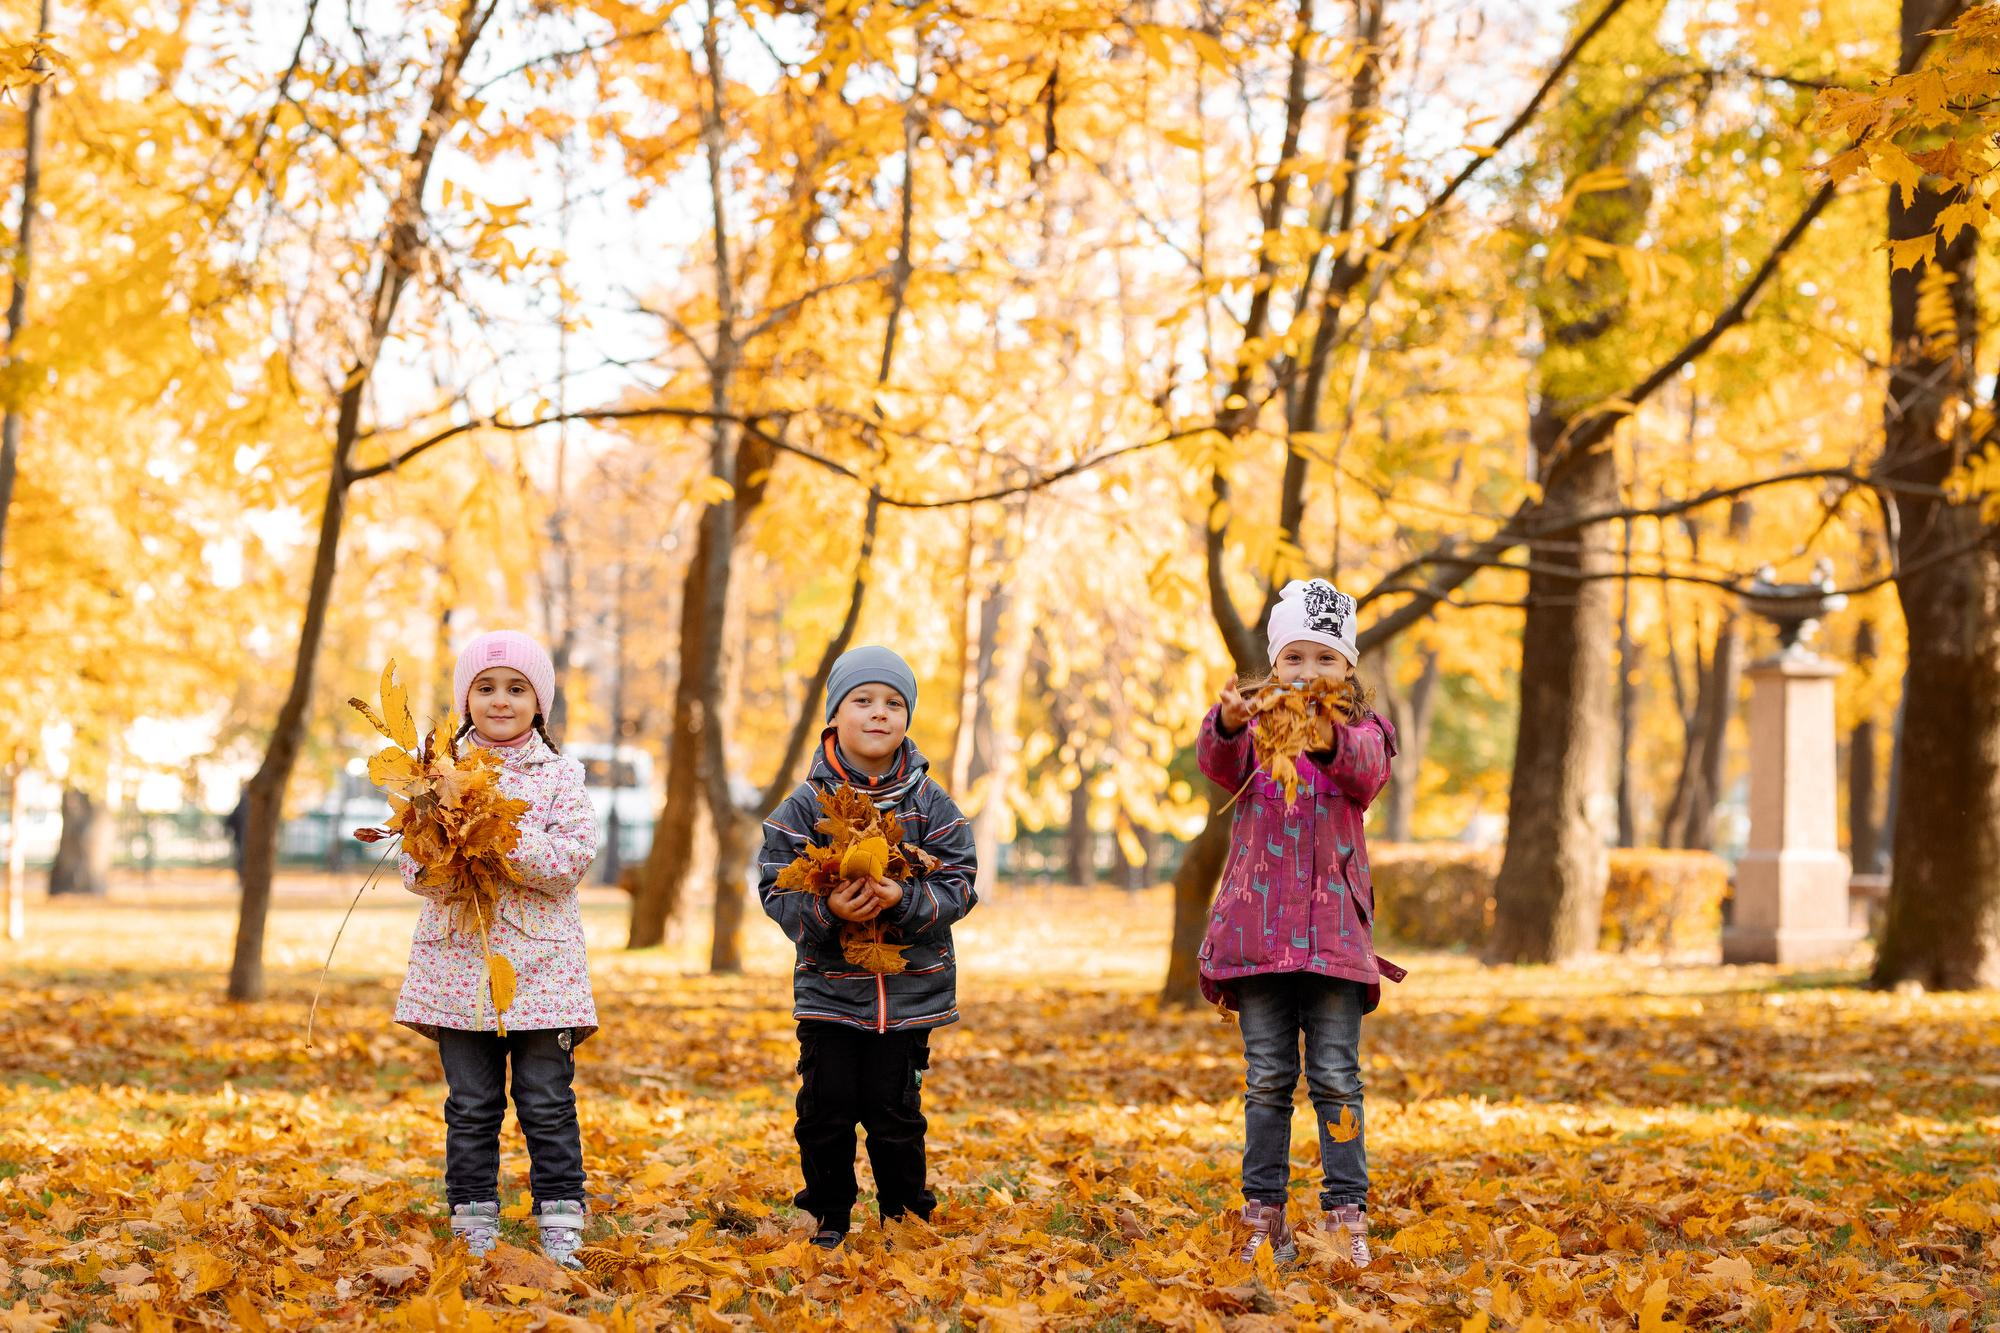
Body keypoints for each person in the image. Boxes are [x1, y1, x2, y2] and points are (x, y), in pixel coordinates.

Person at [1198, 579, 1403, 1266]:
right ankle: (1265, 1212)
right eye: (1293, 658)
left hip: (1333, 937)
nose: (1307, 673)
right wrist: (1229, 721)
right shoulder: (1258, 725)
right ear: (1274, 663)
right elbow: (1219, 765)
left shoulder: (1364, 732)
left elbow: (1368, 773)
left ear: (1347, 666)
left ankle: (1347, 1213)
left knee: (1338, 1076)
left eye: (1324, 658)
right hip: (1256, 934)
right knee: (1266, 1078)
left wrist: (1325, 736)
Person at [756, 646, 977, 1249]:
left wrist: (904, 901)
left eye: (894, 703)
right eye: (863, 700)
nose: (879, 713)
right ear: (834, 717)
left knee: (895, 1113)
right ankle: (827, 1215)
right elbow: (775, 887)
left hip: (908, 995)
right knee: (825, 1109)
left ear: (907, 718)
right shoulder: (802, 807)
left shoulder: (932, 805)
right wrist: (826, 911)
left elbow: (960, 883)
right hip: (830, 991)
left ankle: (905, 1218)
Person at [394, 631, 599, 1268]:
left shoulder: (562, 777)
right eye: (485, 688)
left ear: (540, 703)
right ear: (465, 701)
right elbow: (413, 870)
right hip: (458, 965)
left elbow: (570, 861)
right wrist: (448, 844)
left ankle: (561, 1214)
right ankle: (473, 1216)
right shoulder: (438, 778)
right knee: (472, 1103)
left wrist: (502, 840)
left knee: (546, 1098)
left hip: (543, 969)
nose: (501, 700)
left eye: (517, 688)